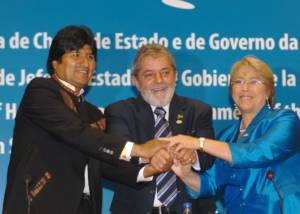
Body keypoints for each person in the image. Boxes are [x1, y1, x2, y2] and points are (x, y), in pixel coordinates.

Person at [3, 26, 168, 214]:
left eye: (90, 56)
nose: (85, 63)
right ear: (55, 62)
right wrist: (139, 149)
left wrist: (148, 169)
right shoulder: (41, 91)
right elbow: (76, 132)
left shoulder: (93, 114)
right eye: (76, 55)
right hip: (40, 206)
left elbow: (102, 161)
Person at [168, 56, 300, 213]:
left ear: (269, 91)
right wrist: (186, 174)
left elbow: (256, 153)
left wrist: (198, 143)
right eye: (238, 82)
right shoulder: (227, 135)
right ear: (231, 92)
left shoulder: (284, 119)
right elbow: (209, 183)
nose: (245, 88)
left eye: (254, 81)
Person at [105, 44, 215, 214]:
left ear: (175, 75)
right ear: (136, 81)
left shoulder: (199, 111)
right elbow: (117, 154)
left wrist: (193, 157)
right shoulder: (120, 112)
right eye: (149, 75)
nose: (159, 81)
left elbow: (208, 158)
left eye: (165, 73)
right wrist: (144, 156)